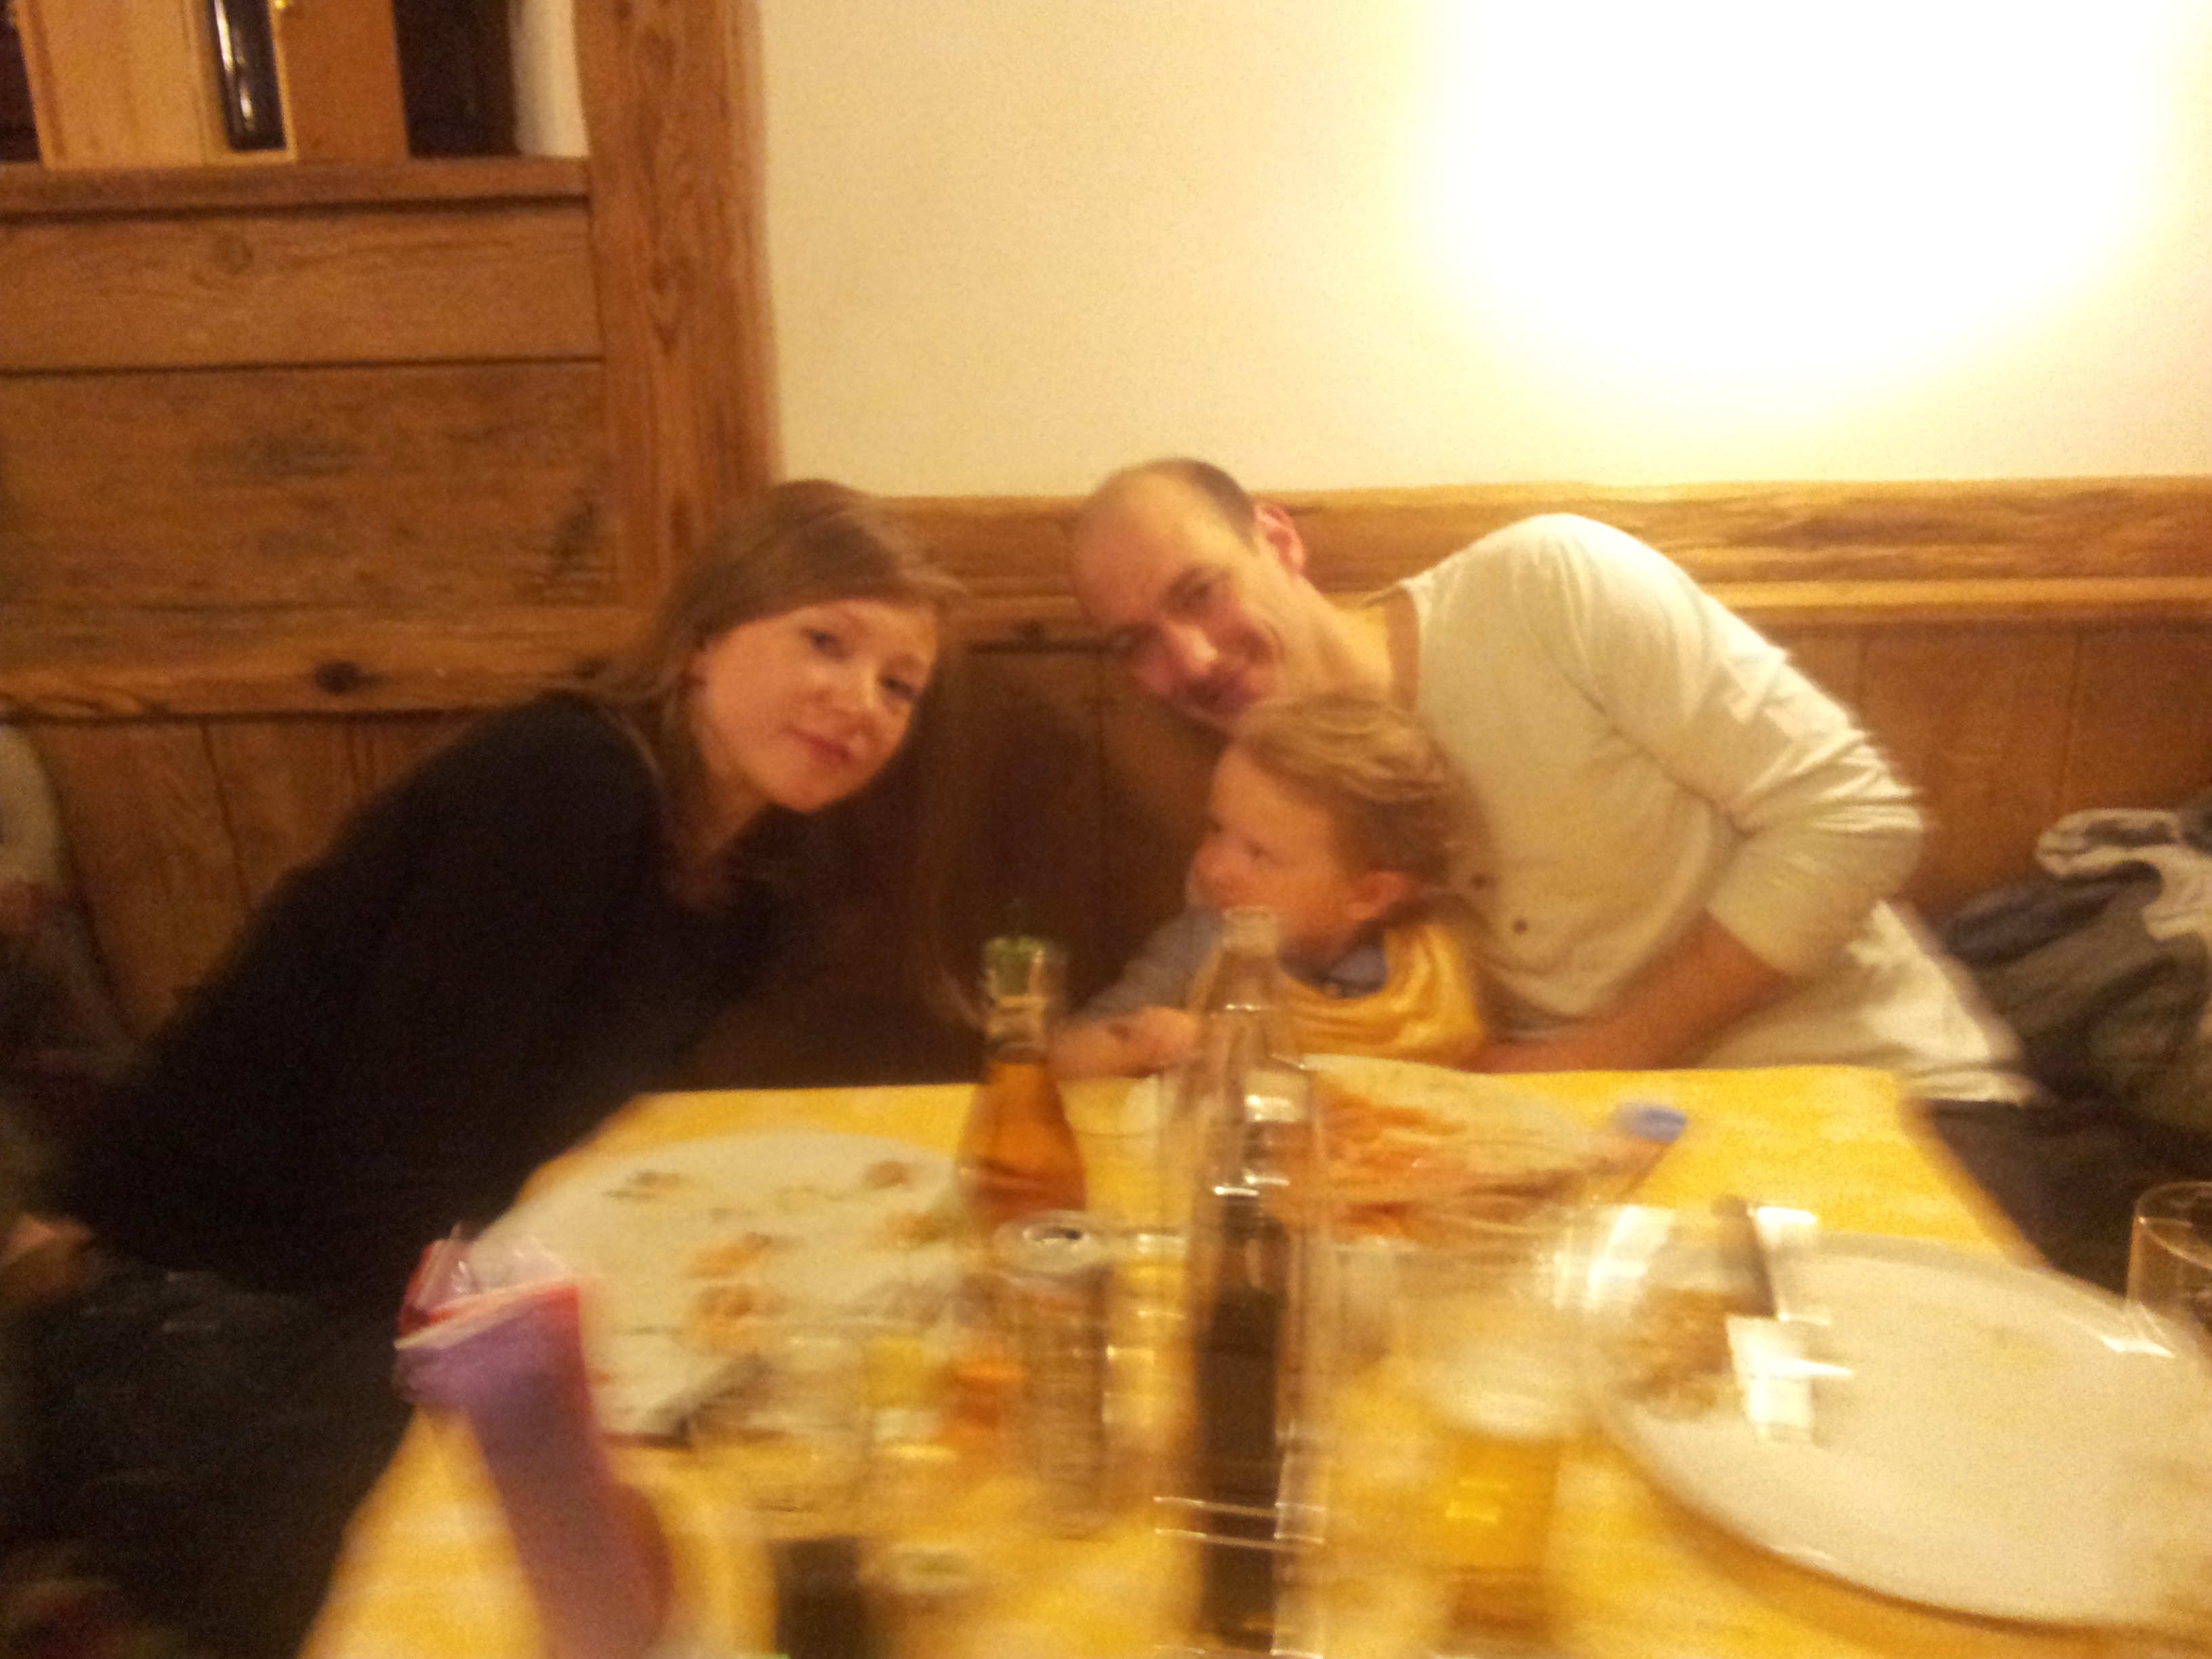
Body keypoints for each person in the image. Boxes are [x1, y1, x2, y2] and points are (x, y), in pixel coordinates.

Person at [0, 480, 964, 1659]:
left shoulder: (737, 882)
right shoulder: (566, 782)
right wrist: (542, 1381)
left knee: (753, 1452)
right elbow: (392, 1169)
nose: (858, 700)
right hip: (185, 1313)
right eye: (825, 641)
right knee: (573, 1569)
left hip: (350, 1284)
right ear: (705, 635)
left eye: (898, 684)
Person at [1066, 457, 2024, 1103]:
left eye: (1202, 592)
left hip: (1882, 1098)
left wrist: (1594, 1060)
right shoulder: (1251, 846)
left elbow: (1856, 820)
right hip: (1600, 1162)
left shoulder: (1546, 589)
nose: (1190, 659)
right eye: (1136, 644)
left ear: (1277, 541)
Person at [1052, 691, 1486, 1078]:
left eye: (1259, 854)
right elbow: (1067, 1057)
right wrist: (1148, 1043)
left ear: (1369, 894)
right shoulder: (1201, 946)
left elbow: (1480, 1074)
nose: (1213, 869)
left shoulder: (1433, 969)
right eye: (1216, 828)